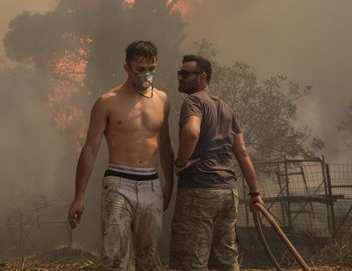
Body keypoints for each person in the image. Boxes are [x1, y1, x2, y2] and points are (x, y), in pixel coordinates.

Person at [68, 40, 174, 271]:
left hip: (151, 184)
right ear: (127, 67)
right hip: (118, 184)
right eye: (140, 69)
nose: (146, 74)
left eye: (151, 68)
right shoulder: (107, 102)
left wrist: (169, 183)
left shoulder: (163, 100)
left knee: (149, 258)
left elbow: (165, 144)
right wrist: (79, 196)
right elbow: (90, 149)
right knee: (114, 258)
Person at [169, 54, 264, 271]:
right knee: (225, 261)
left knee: (190, 261)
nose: (180, 78)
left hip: (199, 190)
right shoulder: (226, 108)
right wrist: (255, 193)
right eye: (179, 73)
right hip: (228, 192)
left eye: (185, 74)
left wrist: (181, 162)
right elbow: (242, 153)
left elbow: (192, 131)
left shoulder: (193, 101)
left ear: (202, 77)